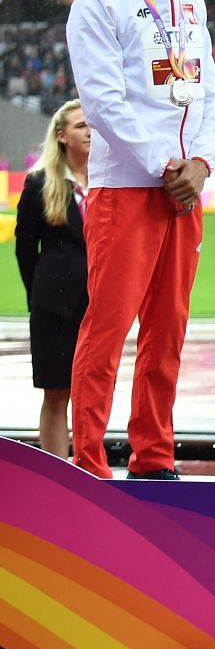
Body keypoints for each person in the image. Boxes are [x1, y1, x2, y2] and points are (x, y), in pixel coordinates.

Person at [65, 0, 215, 481]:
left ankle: (153, 458)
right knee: (106, 332)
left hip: (184, 193)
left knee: (168, 333)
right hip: (129, 189)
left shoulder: (191, 2)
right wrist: (167, 166)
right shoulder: (99, 0)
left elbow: (209, 91)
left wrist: (202, 163)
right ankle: (87, 465)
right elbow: (104, 102)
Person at [12, 101, 91, 461]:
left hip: (99, 307)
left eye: (91, 125)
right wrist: (40, 297)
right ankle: (60, 474)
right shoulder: (41, 183)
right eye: (79, 126)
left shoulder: (110, 181)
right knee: (57, 394)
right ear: (61, 136)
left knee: (92, 393)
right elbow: (25, 249)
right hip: (54, 306)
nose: (89, 131)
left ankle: (90, 466)